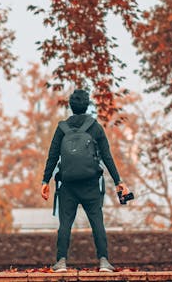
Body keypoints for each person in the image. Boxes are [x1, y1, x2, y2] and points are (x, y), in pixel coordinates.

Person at [41, 88, 128, 272]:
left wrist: (45, 181)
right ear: (87, 106)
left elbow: (53, 156)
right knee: (97, 222)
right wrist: (118, 180)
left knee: (65, 224)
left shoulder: (62, 128)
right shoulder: (95, 127)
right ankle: (104, 261)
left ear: (71, 107)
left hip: (68, 185)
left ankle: (61, 262)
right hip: (90, 185)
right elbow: (107, 156)